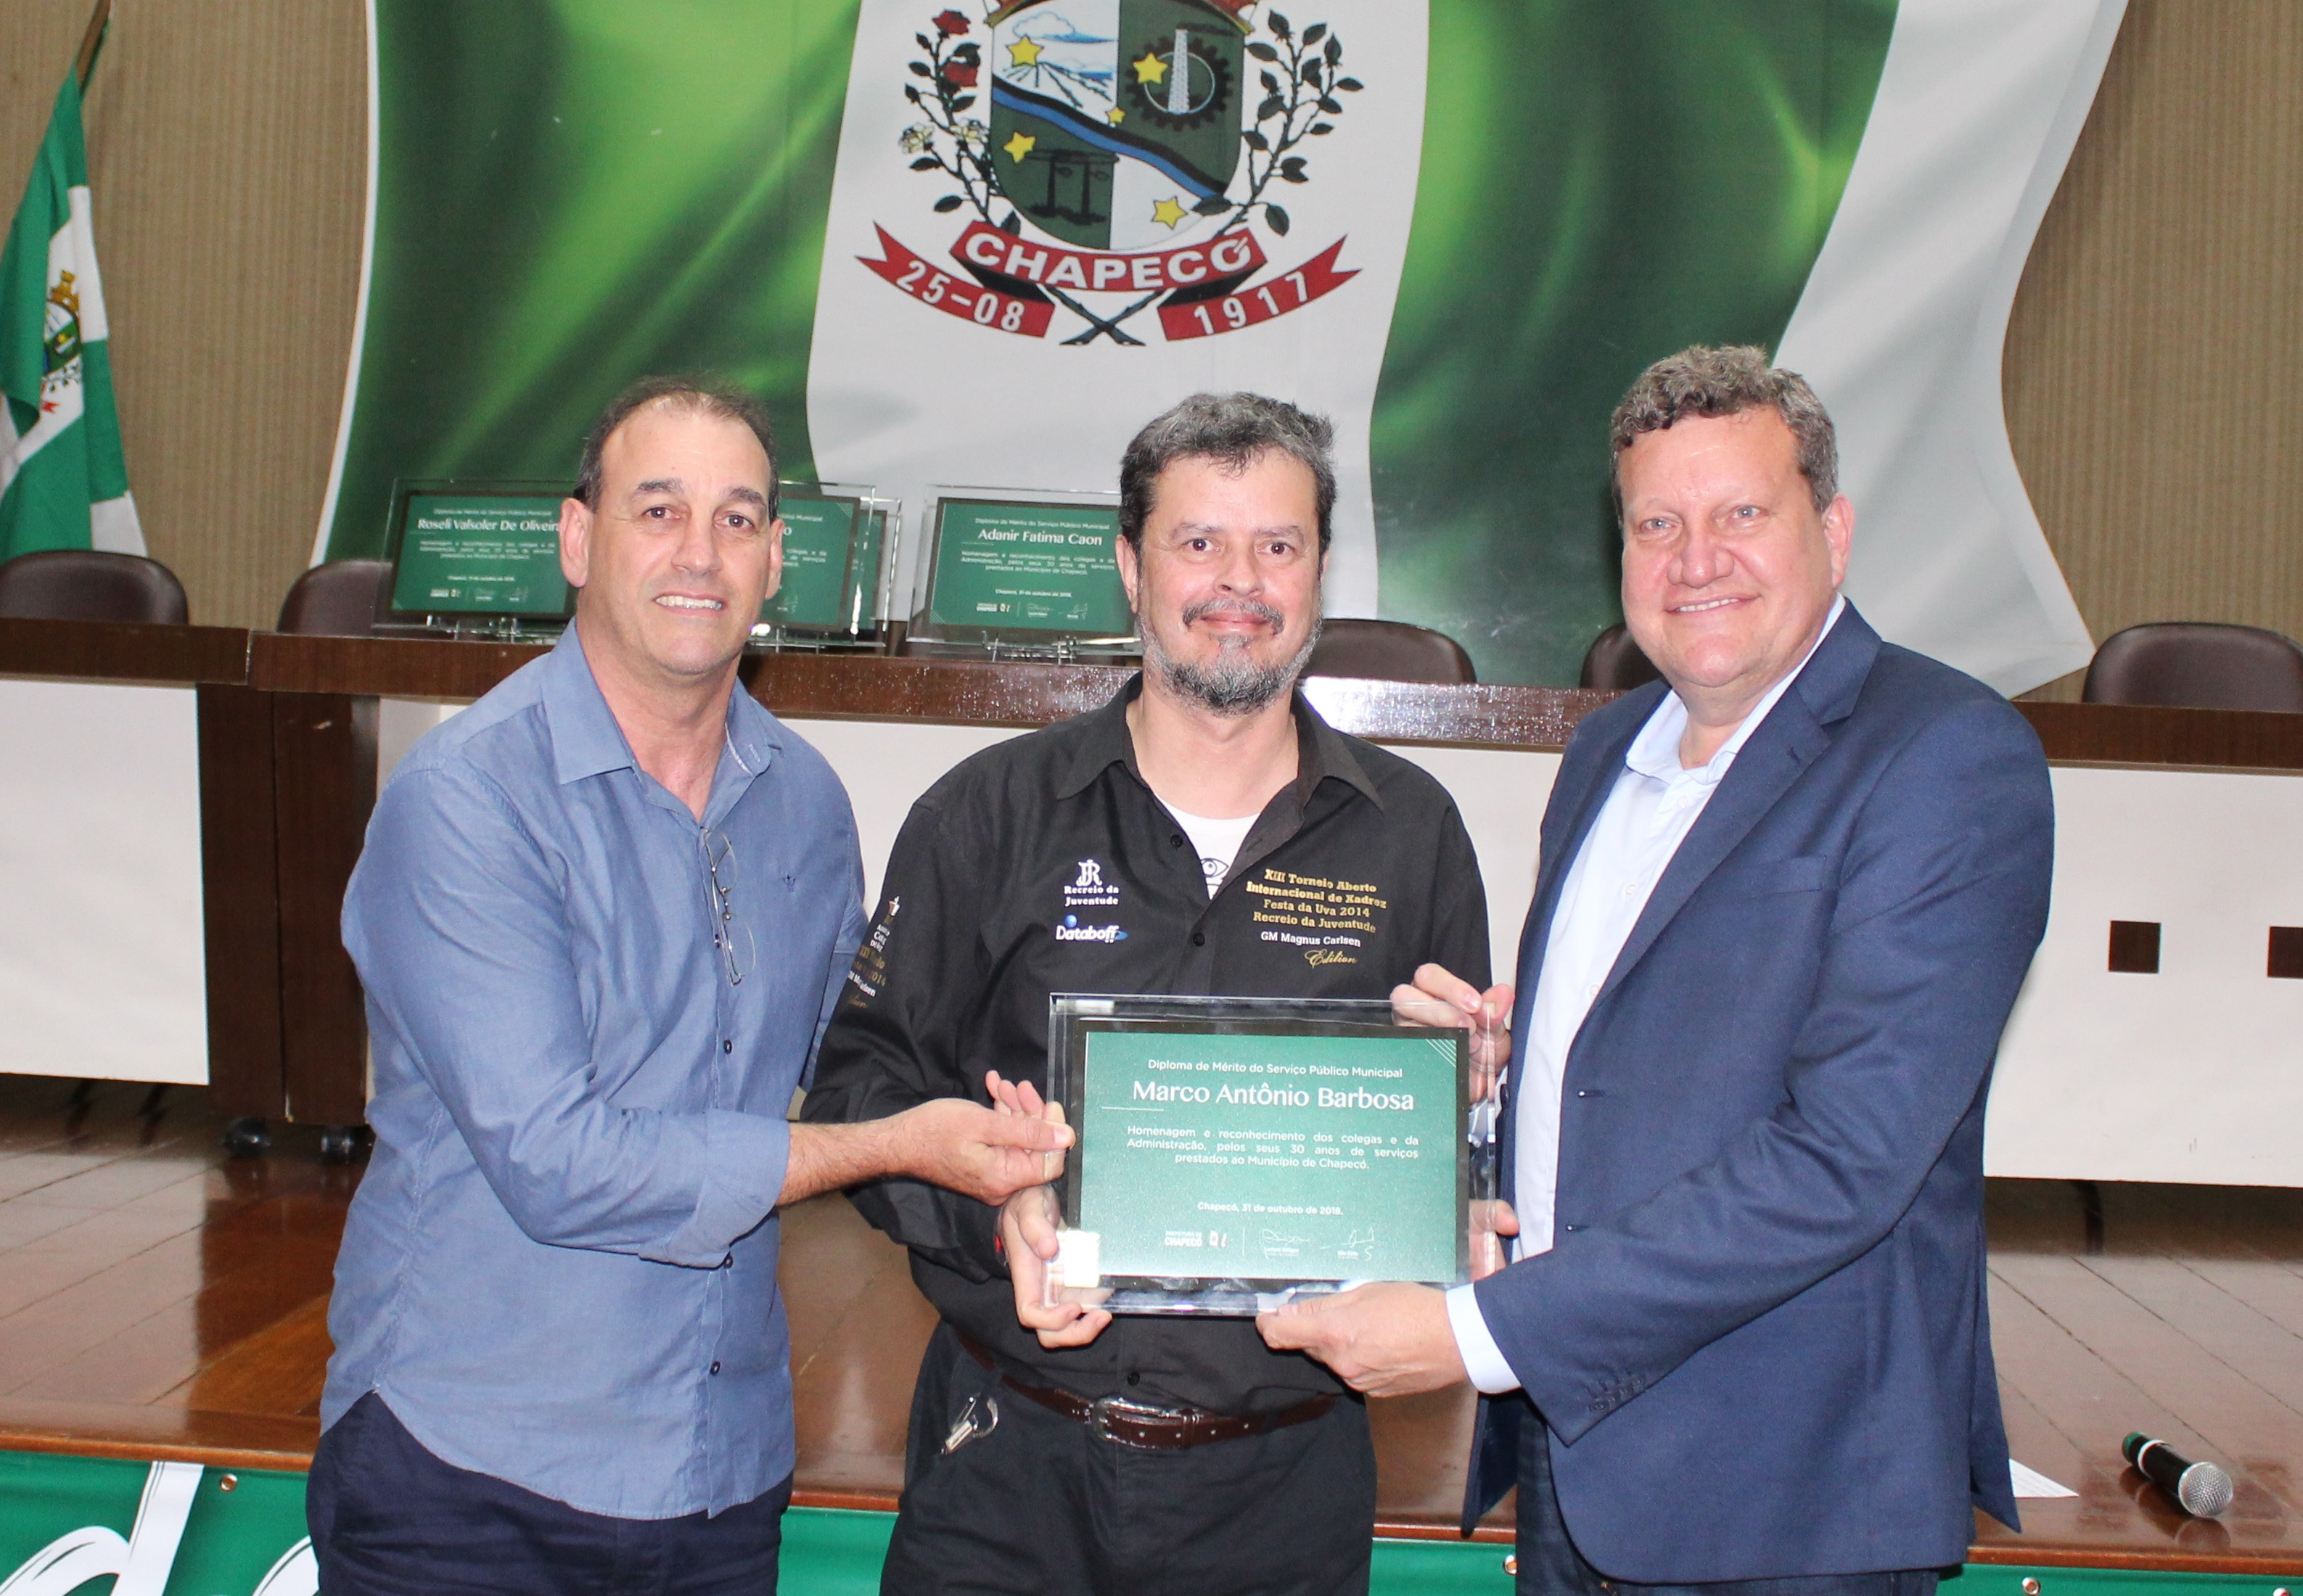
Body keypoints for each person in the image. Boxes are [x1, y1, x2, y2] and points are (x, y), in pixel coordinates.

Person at [1262, 345, 2056, 1595]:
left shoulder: (1945, 756)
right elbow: (1628, 1064)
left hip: (1785, 1492)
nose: (1696, 560)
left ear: (1832, 533)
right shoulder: (1608, 751)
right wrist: (1487, 1082)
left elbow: (1847, 1157)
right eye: (1656, 524)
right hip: (1575, 1457)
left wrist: (1475, 1333)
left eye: (1741, 513)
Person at [309, 376, 1071, 1596]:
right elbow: (558, 1162)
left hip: (719, 1472)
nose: (699, 554)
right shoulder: (468, 802)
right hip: (468, 1474)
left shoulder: (804, 801)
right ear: (578, 540)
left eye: (736, 519)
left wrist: (1020, 1168)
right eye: (657, 510)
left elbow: (856, 1059)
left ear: (775, 561)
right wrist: (889, 1144)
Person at [802, 392, 1495, 1596]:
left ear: (1319, 571)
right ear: (1130, 567)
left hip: (1288, 1490)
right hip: (1007, 1471)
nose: (1240, 583)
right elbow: (860, 1090)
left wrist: (1470, 1113)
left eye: (1277, 546)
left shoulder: (1412, 834)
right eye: (1198, 542)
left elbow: (1457, 1143)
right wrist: (995, 1215)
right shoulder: (985, 815)